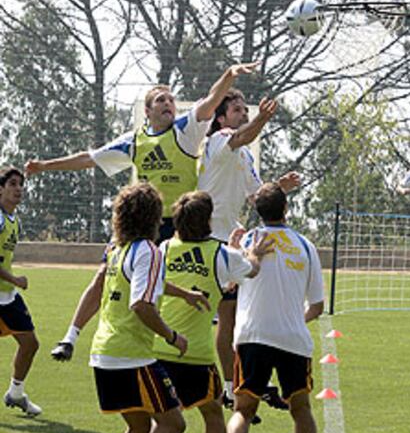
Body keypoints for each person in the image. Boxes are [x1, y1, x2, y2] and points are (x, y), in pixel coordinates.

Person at [25, 62, 260, 360]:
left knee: (186, 283)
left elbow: (213, 99)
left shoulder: (186, 130)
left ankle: (183, 351)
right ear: (147, 111)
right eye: (161, 99)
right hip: (142, 222)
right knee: (104, 273)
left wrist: (229, 74)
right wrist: (45, 166)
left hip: (180, 224)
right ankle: (70, 338)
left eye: (171, 100)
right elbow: (89, 158)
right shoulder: (134, 141)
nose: (169, 104)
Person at [90, 182, 206, 433]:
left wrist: (182, 293)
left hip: (103, 352)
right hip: (131, 354)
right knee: (173, 423)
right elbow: (141, 303)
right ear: (156, 215)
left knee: (139, 426)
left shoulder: (117, 250)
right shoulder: (151, 251)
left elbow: (143, 284)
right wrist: (172, 336)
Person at [152, 191, 274, 433]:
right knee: (213, 414)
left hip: (159, 346)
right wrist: (254, 252)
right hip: (195, 355)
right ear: (207, 221)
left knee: (159, 420)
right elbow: (250, 270)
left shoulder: (164, 248)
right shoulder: (219, 253)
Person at [198, 88, 300, 409]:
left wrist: (279, 187)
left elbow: (256, 196)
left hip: (234, 242)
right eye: (237, 110)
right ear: (221, 118)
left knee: (240, 315)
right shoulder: (218, 141)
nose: (243, 113)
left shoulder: (244, 154)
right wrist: (261, 119)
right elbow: (242, 136)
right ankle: (231, 387)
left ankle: (245, 384)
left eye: (246, 109)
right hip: (212, 241)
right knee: (225, 317)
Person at [224, 182, 325, 433]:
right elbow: (318, 306)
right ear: (287, 209)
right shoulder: (306, 246)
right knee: (301, 408)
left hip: (251, 336)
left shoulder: (249, 241)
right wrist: (295, 319)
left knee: (243, 409)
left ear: (258, 211)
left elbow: (228, 283)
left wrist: (232, 246)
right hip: (292, 338)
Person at [0, 167, 42, 416]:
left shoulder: (14, 220)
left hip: (7, 296)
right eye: (12, 184)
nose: (18, 189)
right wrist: (15, 279)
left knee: (30, 343)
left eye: (21, 185)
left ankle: (16, 394)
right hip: (6, 290)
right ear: (1, 188)